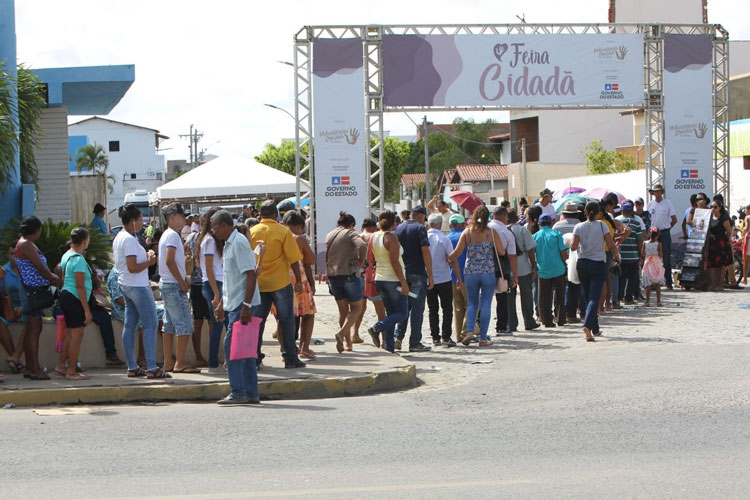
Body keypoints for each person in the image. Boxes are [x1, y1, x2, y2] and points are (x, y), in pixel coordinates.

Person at [211, 210, 261, 405]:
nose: (214, 232)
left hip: (242, 304)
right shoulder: (229, 244)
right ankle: (250, 392)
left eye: (215, 228)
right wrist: (222, 304)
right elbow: (232, 278)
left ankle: (239, 391)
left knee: (232, 347)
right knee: (245, 351)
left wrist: (246, 306)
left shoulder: (238, 243)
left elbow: (250, 275)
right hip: (234, 302)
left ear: (224, 225)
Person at [250, 200, 306, 369]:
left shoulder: (251, 232)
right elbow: (294, 259)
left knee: (257, 322)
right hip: (280, 282)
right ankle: (290, 357)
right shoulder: (283, 232)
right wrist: (298, 281)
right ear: (276, 214)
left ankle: (255, 358)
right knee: (287, 320)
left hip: (259, 283)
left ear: (260, 215)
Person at [113, 204, 167, 378]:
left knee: (130, 325)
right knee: (151, 323)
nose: (142, 224)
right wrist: (150, 262)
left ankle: (132, 366)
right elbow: (133, 266)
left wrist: (145, 256)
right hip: (137, 285)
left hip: (126, 285)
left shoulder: (119, 237)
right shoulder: (129, 240)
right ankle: (151, 366)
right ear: (133, 220)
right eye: (140, 220)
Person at [449, 205, 506, 347]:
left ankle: (469, 332)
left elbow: (457, 252)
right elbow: (502, 252)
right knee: (486, 303)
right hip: (488, 271)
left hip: (470, 272)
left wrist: (447, 257)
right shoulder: (491, 233)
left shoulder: (467, 233)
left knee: (472, 303)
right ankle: (482, 338)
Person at [15, 216, 61, 380]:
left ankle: (29, 367)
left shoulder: (24, 243)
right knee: (34, 329)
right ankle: (34, 368)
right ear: (36, 230)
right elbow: (40, 267)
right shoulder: (26, 244)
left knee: (33, 328)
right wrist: (53, 278)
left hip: (32, 289)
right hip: (32, 291)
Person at [570, 202, 620, 342]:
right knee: (594, 298)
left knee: (587, 297)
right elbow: (610, 244)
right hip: (598, 263)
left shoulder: (578, 226)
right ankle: (587, 325)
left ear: (585, 211)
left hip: (583, 263)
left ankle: (595, 329)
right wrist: (616, 256)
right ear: (598, 212)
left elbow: (573, 247)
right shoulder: (602, 225)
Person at [159, 202, 199, 373]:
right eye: (182, 216)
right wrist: (182, 282)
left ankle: (168, 361)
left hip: (167, 283)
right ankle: (179, 362)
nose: (185, 219)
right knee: (184, 324)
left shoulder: (167, 235)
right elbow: (169, 260)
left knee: (168, 325)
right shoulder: (173, 236)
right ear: (173, 217)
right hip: (174, 284)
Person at [394, 205, 435, 352]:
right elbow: (425, 253)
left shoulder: (398, 228)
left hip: (402, 273)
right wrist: (430, 275)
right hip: (417, 273)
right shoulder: (420, 228)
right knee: (417, 309)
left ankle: (398, 337)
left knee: (404, 307)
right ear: (422, 216)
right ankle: (415, 342)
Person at [367, 210, 409, 353]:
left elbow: (370, 259)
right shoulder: (391, 238)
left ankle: (389, 346)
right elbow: (395, 261)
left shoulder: (373, 236)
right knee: (402, 313)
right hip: (393, 279)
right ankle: (376, 327)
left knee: (391, 312)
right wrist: (403, 282)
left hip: (380, 278)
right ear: (394, 223)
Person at [55, 227, 93, 380]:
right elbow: (80, 286)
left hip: (67, 296)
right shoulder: (78, 259)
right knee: (76, 335)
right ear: (84, 240)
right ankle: (71, 370)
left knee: (71, 334)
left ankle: (61, 365)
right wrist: (86, 310)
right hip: (74, 298)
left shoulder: (67, 255)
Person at [325, 211, 367, 353]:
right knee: (356, 308)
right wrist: (360, 262)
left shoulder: (330, 234)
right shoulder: (350, 233)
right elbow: (362, 246)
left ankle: (348, 344)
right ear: (351, 225)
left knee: (343, 311)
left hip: (333, 275)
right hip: (349, 273)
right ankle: (342, 334)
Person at [282, 211, 317, 360]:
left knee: (283, 316)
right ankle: (305, 347)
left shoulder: (279, 236)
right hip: (298, 278)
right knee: (308, 313)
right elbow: (310, 260)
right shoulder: (299, 239)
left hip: (281, 278)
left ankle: (285, 350)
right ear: (299, 227)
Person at [197, 207, 227, 373]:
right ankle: (215, 361)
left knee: (218, 325)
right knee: (220, 324)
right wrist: (216, 293)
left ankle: (215, 360)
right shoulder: (209, 240)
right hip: (213, 283)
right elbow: (209, 268)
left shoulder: (210, 239)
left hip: (215, 283)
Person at [426, 213, 461, 347]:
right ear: (440, 225)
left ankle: (435, 337)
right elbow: (452, 259)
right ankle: (446, 336)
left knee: (432, 309)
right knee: (447, 308)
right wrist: (458, 277)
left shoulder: (424, 238)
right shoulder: (443, 239)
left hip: (429, 278)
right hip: (444, 278)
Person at [355, 218, 386, 347]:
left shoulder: (357, 237)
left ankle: (355, 334)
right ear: (374, 228)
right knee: (380, 309)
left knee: (360, 308)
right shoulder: (374, 237)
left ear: (363, 227)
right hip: (371, 275)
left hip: (358, 275)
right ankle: (384, 340)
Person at [533, 214, 568, 327]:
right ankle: (560, 318)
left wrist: (534, 267)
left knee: (543, 296)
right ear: (551, 223)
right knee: (560, 294)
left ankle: (546, 320)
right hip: (558, 268)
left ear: (539, 223)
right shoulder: (557, 234)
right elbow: (563, 252)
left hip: (543, 270)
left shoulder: (535, 236)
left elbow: (532, 254)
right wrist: (566, 266)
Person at [508, 209, 540, 330]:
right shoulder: (522, 230)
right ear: (516, 219)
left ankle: (511, 323)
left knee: (510, 298)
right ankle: (529, 321)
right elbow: (530, 249)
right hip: (523, 266)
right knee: (526, 296)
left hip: (509, 268)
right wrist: (533, 265)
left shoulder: (502, 231)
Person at [488, 207, 518, 335]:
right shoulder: (506, 232)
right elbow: (512, 257)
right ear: (504, 216)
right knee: (502, 299)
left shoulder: (484, 229)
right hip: (501, 268)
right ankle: (501, 326)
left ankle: (478, 324)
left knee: (484, 298)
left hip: (485, 267)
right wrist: (515, 276)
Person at [184, 225, 210, 369]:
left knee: (197, 321)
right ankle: (213, 355)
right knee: (213, 322)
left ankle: (199, 355)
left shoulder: (191, 237)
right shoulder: (211, 238)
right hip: (209, 281)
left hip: (194, 282)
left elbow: (184, 251)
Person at [647, 184, 677, 289]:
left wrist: (667, 228)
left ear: (662, 192)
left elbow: (674, 219)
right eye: (655, 191)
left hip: (664, 232)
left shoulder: (667, 203)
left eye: (659, 191)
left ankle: (668, 282)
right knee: (653, 257)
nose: (657, 193)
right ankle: (654, 282)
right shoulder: (650, 204)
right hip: (653, 233)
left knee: (666, 258)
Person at [616, 202, 644, 305]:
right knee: (632, 279)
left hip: (621, 255)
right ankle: (628, 298)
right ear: (632, 211)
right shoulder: (636, 223)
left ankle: (619, 298)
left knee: (621, 278)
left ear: (622, 210)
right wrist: (640, 256)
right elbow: (639, 241)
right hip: (633, 255)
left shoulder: (617, 221)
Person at [448, 214, 469, 342]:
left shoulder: (447, 238)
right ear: (463, 224)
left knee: (458, 307)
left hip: (452, 277)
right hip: (467, 276)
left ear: (450, 225)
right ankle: (466, 331)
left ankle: (458, 336)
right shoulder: (466, 237)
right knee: (471, 304)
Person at [705, 198, 733, 291]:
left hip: (721, 242)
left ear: (720, 208)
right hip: (712, 242)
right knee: (712, 264)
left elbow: (729, 231)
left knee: (721, 265)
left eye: (715, 207)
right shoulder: (709, 217)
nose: (713, 208)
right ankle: (713, 284)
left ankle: (720, 284)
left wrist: (725, 240)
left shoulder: (723, 217)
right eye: (711, 207)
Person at [642, 228, 666, 305]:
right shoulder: (659, 244)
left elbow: (642, 253)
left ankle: (647, 301)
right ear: (658, 235)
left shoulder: (645, 243)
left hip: (648, 262)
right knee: (658, 283)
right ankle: (658, 301)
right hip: (656, 262)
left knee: (648, 283)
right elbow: (661, 255)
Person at [742, 205, 750, 285]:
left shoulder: (747, 217)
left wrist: (743, 230)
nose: (745, 211)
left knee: (746, 260)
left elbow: (747, 228)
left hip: (748, 239)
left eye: (745, 209)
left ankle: (745, 279)